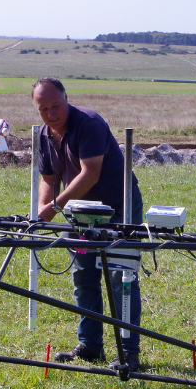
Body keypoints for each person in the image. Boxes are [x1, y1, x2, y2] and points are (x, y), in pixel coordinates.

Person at [33, 77, 144, 372]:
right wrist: (42, 209)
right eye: (43, 109)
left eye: (55, 105)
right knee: (84, 277)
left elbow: (90, 173)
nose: (51, 114)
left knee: (123, 278)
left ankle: (128, 352)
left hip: (118, 206)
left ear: (67, 99)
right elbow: (49, 179)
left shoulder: (89, 123)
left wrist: (55, 207)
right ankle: (91, 346)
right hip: (80, 211)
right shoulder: (45, 135)